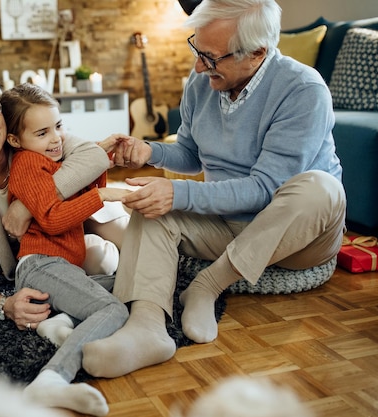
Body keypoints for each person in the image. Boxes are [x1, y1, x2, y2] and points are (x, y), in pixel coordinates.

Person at [82, 0, 346, 378]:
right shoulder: (202, 82)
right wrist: (149, 151)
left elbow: (265, 189)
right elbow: (191, 153)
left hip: (296, 236)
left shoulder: (302, 90)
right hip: (226, 223)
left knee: (320, 187)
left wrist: (179, 194)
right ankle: (146, 327)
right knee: (152, 209)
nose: (197, 66)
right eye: (197, 49)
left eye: (210, 57)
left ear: (257, 53)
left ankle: (208, 284)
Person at [0, 71, 128, 333]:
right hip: (33, 256)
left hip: (76, 223)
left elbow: (92, 157)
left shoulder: (33, 133)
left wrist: (25, 206)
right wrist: (3, 305)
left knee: (136, 238)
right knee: (94, 267)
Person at [0, 83, 131, 416]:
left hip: (60, 268)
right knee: (114, 310)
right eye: (42, 132)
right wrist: (101, 197)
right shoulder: (28, 163)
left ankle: (57, 321)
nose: (56, 138)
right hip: (40, 266)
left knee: (133, 284)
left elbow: (82, 188)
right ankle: (50, 381)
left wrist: (102, 158)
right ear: (16, 141)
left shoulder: (50, 160)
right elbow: (53, 219)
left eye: (58, 126)